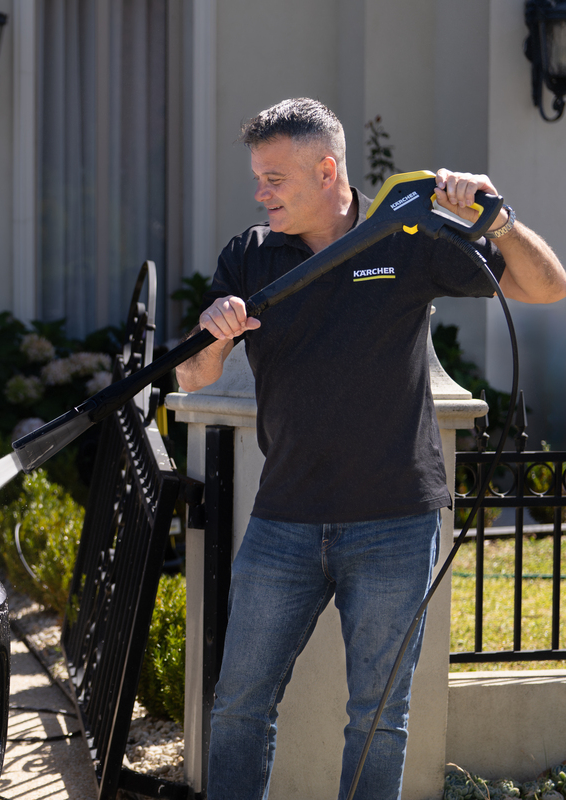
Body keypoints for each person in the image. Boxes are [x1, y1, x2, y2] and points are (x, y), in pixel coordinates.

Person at [175, 98, 566, 800]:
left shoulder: (407, 239)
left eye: (274, 179)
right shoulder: (251, 255)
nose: (260, 193)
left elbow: (547, 287)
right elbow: (194, 378)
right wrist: (213, 331)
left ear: (327, 171)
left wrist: (499, 221)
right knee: (238, 707)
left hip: (395, 523)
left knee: (380, 719)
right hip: (283, 520)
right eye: (258, 178)